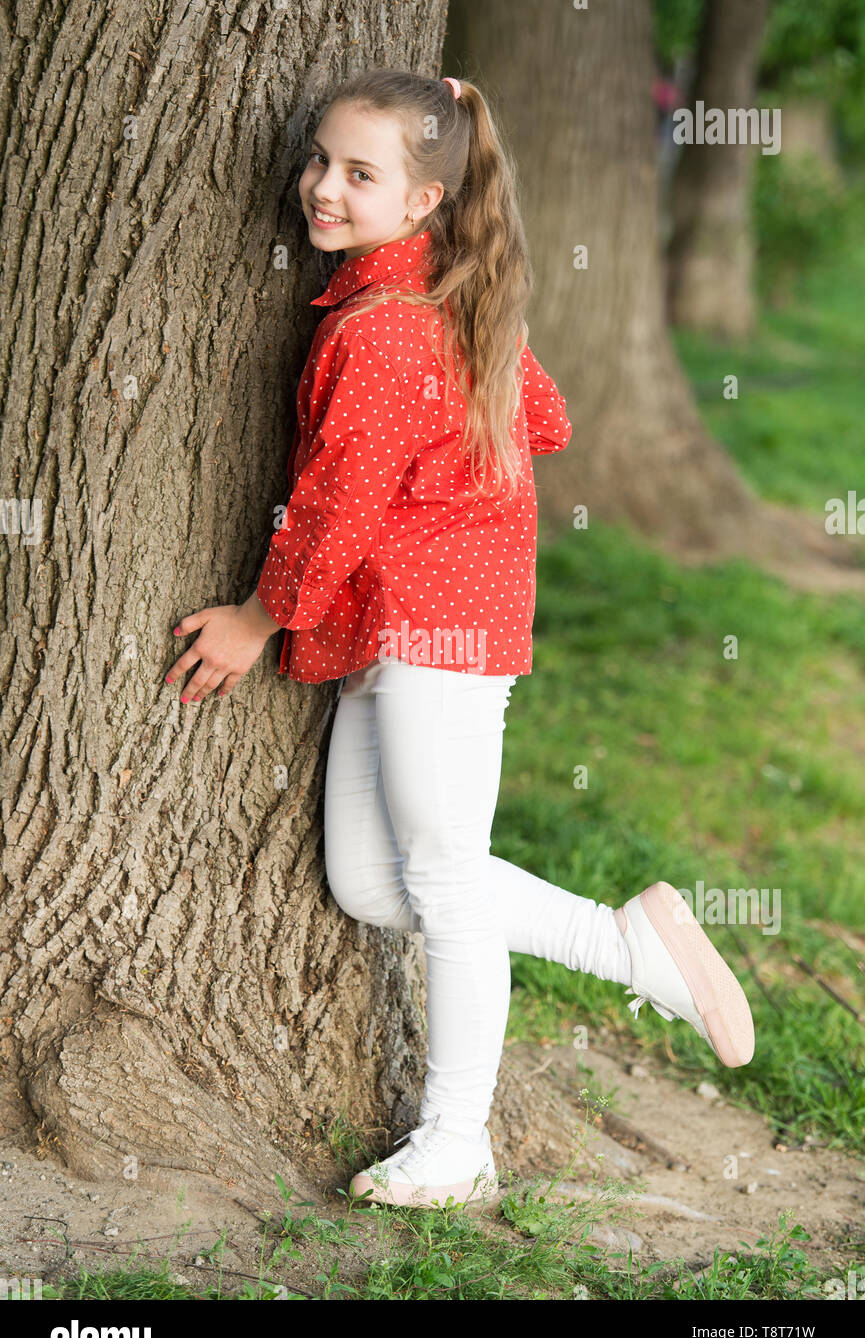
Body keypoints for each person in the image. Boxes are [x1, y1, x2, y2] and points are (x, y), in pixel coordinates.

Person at [164, 68, 755, 1211]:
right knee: (371, 884)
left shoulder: (390, 332)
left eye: (359, 173)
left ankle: (457, 1137)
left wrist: (255, 619)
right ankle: (628, 944)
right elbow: (546, 415)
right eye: (321, 161)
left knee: (437, 876)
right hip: (391, 627)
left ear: (427, 201)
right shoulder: (431, 298)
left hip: (439, 630)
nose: (321, 187)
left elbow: (335, 507)